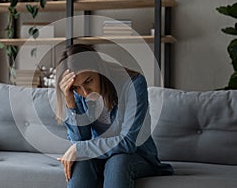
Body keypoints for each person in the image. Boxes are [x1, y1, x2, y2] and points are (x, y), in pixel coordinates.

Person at [55, 44, 173, 188]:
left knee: (117, 162)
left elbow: (128, 142)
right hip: (100, 156)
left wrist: (80, 148)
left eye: (88, 81)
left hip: (137, 156)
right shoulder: (78, 94)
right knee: (80, 163)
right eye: (76, 88)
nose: (85, 92)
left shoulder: (133, 84)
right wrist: (70, 101)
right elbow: (80, 140)